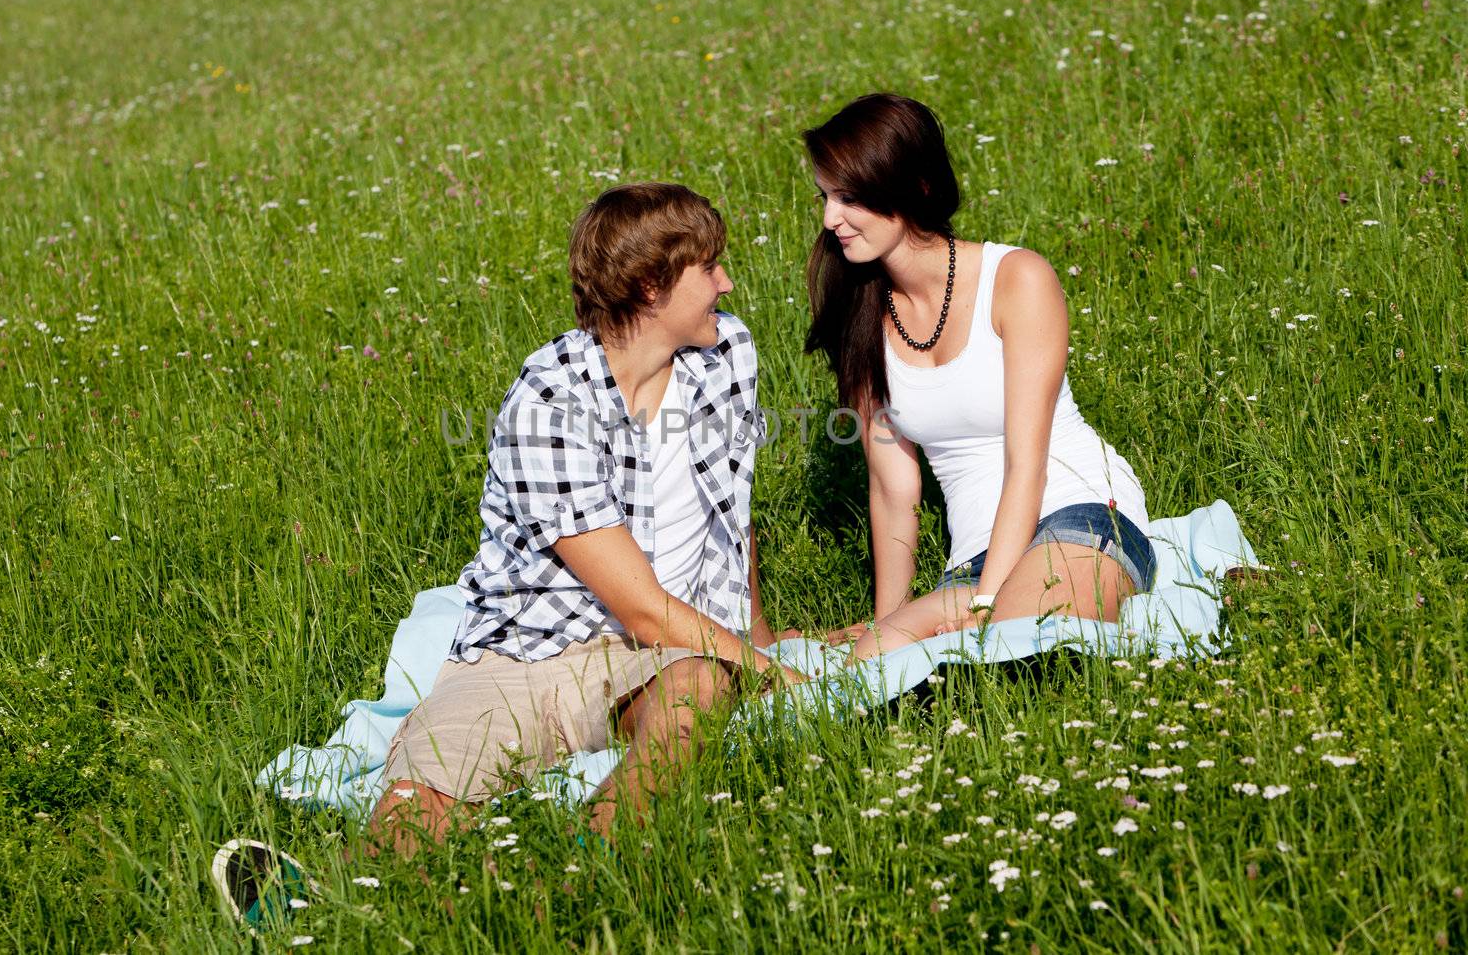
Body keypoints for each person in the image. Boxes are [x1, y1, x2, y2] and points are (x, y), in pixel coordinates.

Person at [213, 182, 802, 930]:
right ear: (653, 287)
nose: (726, 282)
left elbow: (733, 508)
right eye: (710, 268)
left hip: (663, 652)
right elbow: (641, 608)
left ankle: (594, 871)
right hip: (529, 649)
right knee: (417, 796)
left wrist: (753, 629)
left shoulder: (727, 353)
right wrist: (781, 674)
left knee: (692, 701)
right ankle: (328, 909)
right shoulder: (548, 403)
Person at [801, 94, 1157, 661]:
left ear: (912, 185)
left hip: (1078, 512)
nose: (829, 219)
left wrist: (989, 601)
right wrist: (885, 620)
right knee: (869, 664)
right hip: (975, 554)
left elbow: (1028, 462)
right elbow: (894, 491)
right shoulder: (859, 317)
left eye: (850, 197)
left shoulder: (1016, 279)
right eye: (825, 196)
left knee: (1025, 642)